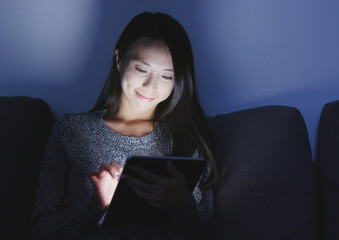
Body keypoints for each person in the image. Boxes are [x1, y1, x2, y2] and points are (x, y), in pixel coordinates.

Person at [32, 12, 220, 240]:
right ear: (119, 59)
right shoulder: (73, 130)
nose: (151, 86)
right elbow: (41, 232)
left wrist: (181, 204)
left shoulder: (186, 138)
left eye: (167, 76)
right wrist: (96, 206)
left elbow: (207, 233)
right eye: (142, 69)